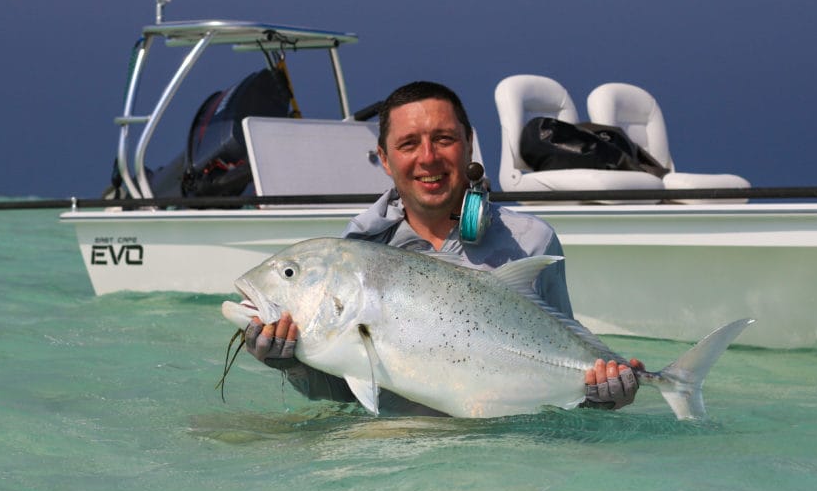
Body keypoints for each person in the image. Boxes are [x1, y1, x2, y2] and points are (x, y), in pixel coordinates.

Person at [244, 81, 641, 415]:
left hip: (505, 451)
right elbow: (347, 393)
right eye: (409, 144)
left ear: (469, 145)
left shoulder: (530, 242)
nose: (428, 158)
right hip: (397, 449)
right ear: (384, 158)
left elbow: (561, 371)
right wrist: (290, 365)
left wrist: (601, 395)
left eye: (444, 139)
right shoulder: (360, 251)